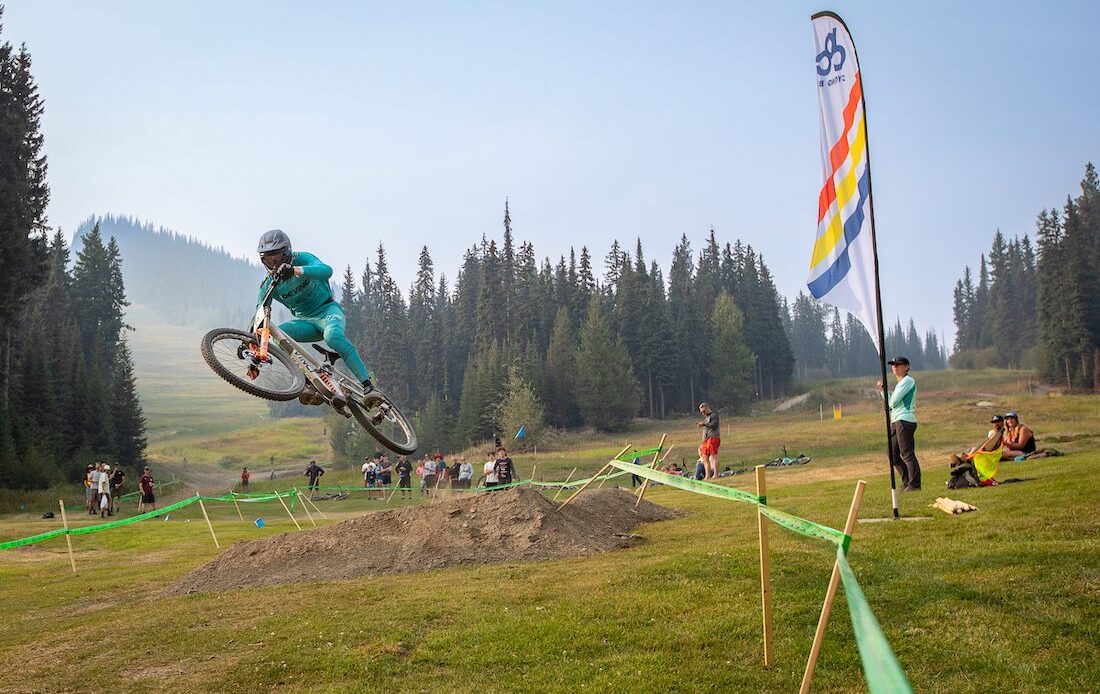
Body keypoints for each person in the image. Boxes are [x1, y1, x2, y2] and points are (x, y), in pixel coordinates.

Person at [255, 229, 374, 407]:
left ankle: (368, 386)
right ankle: (310, 380)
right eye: (268, 260)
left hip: (328, 311)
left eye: (278, 258)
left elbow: (326, 271)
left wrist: (295, 270)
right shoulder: (270, 283)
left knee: (332, 337)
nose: (274, 265)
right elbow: (261, 312)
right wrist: (255, 340)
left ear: (287, 252)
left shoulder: (301, 259)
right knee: (280, 333)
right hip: (306, 322)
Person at [877, 356, 921, 491]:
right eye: (893, 365)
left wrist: (886, 393)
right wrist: (883, 391)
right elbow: (891, 404)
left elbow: (892, 402)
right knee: (892, 455)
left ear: (907, 367)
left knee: (907, 454)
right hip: (897, 421)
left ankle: (914, 484)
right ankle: (907, 481)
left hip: (904, 420)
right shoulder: (900, 384)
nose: (895, 367)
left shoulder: (908, 381)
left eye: (899, 364)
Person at [697, 402, 721, 481]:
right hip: (705, 439)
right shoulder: (705, 419)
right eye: (701, 412)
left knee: (714, 456)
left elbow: (713, 425)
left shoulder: (714, 415)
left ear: (708, 408)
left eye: (704, 411)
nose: (703, 413)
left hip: (713, 437)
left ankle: (716, 474)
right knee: (704, 457)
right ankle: (707, 476)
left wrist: (704, 424)